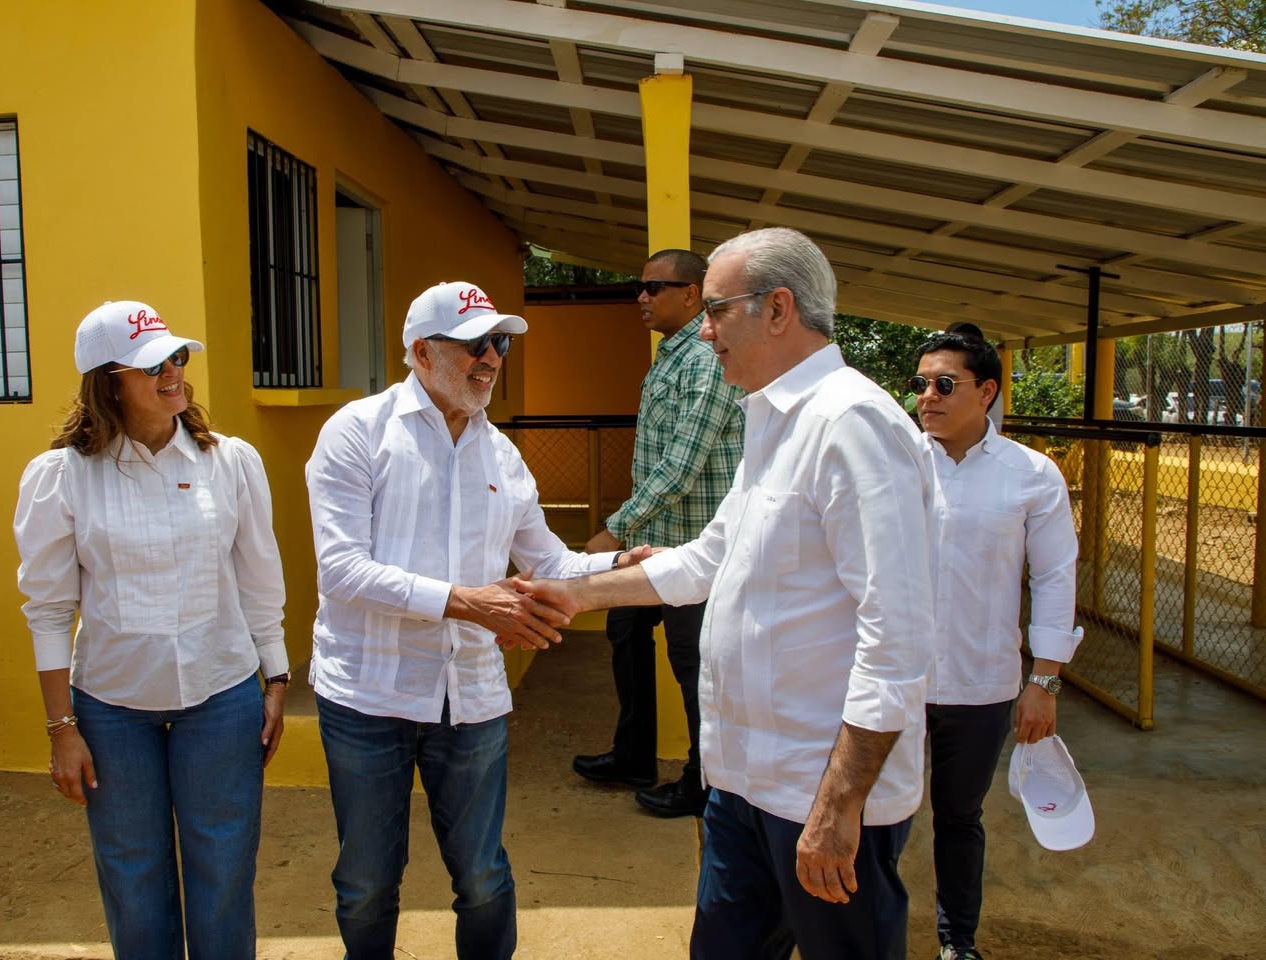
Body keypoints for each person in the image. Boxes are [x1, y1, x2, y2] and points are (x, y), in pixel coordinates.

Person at [516, 228, 934, 960]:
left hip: (817, 793)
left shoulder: (851, 424)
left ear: (777, 309)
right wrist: (571, 592)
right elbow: (706, 561)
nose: (702, 329)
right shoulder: (772, 420)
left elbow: (895, 635)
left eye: (716, 310)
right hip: (741, 783)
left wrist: (839, 804)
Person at [305, 280, 649, 960]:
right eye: (474, 345)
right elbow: (341, 570)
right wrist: (466, 601)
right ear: (420, 353)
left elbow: (546, 561)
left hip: (471, 697)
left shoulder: (503, 456)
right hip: (368, 695)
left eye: (500, 344)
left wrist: (621, 567)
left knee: (483, 874)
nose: (491, 358)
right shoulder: (357, 432)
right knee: (368, 882)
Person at [13, 300, 289, 959]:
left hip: (221, 696)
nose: (172, 372)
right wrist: (62, 729)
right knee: (132, 872)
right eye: (151, 364)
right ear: (107, 381)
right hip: (112, 709)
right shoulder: (63, 476)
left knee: (223, 868)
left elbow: (258, 574)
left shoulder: (230, 461)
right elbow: (48, 609)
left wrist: (273, 674)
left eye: (177, 358)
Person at [909, 329, 1083, 960]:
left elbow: (1056, 576)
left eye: (944, 384)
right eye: (921, 383)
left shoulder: (1031, 476)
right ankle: (855, 932)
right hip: (892, 678)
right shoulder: (896, 463)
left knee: (958, 817)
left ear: (986, 392)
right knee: (875, 813)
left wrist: (1044, 681)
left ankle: (958, 942)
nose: (927, 396)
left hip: (981, 684)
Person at [573, 249, 743, 818]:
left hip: (694, 548)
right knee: (624, 632)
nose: (641, 298)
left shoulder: (704, 360)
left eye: (653, 287)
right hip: (651, 540)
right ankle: (633, 754)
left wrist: (612, 530)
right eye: (639, 287)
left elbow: (681, 463)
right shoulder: (672, 356)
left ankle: (703, 781)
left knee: (693, 664)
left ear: (691, 294)